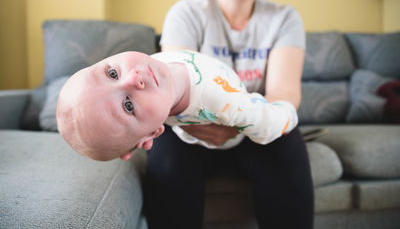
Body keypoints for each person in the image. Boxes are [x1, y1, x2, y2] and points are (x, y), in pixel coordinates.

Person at [144, 0, 314, 229]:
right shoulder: (186, 13)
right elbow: (174, 90)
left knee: (288, 139)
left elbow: (284, 94)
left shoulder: (285, 18)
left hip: (256, 130)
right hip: (196, 127)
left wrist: (248, 121)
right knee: (165, 150)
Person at [56, 50, 298, 161]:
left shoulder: (154, 65)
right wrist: (286, 111)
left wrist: (130, 136)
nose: (133, 77)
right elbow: (266, 125)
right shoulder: (223, 102)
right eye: (128, 106)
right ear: (153, 133)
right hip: (228, 134)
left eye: (111, 72)